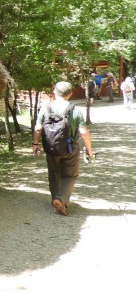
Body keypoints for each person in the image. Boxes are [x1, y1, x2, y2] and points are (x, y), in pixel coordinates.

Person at [33, 81, 93, 216]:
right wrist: (89, 150)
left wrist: (35, 145)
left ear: (54, 92)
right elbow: (83, 132)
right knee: (70, 175)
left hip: (51, 147)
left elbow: (38, 129)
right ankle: (60, 199)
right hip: (70, 147)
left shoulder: (46, 108)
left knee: (54, 173)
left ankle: (55, 198)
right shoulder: (75, 110)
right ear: (70, 94)